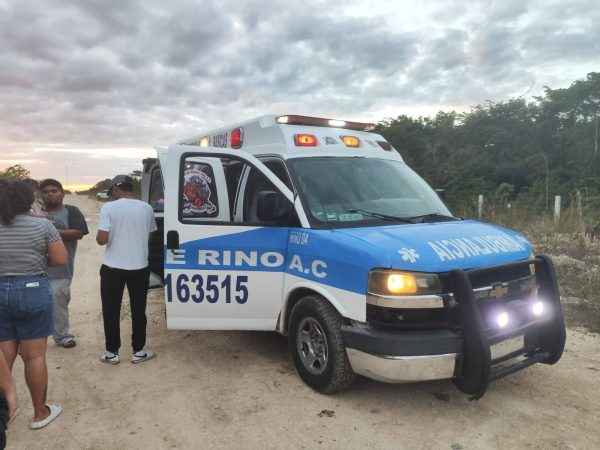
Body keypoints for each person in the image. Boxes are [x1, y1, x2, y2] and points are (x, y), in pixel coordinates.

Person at [0, 178, 67, 430]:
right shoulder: (43, 225)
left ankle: (3, 412)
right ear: (29, 200)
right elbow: (60, 259)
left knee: (3, 357)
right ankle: (40, 413)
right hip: (32, 288)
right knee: (34, 356)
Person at [96, 175, 157, 364]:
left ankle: (111, 353)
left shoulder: (108, 208)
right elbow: (150, 237)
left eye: (112, 192)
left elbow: (101, 239)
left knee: (111, 310)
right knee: (138, 311)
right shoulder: (147, 208)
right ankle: (139, 351)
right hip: (139, 267)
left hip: (112, 268)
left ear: (116, 189)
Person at [39, 179, 89, 349]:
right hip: (33, 268)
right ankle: (30, 339)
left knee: (58, 302)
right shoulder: (34, 213)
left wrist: (49, 232)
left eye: (54, 191)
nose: (50, 194)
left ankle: (62, 336)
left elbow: (78, 232)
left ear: (62, 193)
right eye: (46, 192)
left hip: (61, 269)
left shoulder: (71, 211)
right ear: (41, 195)